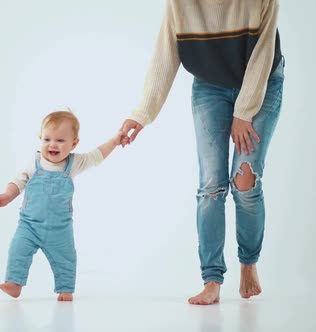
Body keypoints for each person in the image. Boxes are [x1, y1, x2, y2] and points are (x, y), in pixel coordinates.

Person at [119, 0, 284, 305]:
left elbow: (263, 53)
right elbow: (165, 54)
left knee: (244, 180)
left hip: (262, 81)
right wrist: (142, 113)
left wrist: (244, 111)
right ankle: (212, 280)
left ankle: (248, 262)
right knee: (211, 185)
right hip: (211, 87)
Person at [0, 108, 126, 301]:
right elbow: (19, 181)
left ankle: (65, 289)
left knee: (66, 258)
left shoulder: (73, 163)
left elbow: (97, 155)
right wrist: (7, 195)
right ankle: (14, 283)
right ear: (40, 138)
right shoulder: (35, 161)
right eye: (47, 139)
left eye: (60, 140)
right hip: (29, 225)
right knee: (17, 250)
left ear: (74, 143)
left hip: (60, 228)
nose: (52, 145)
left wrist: (115, 141)